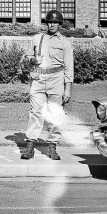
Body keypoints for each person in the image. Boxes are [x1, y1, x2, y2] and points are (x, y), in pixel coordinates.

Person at [23, 9, 74, 160]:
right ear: (46, 23)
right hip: (38, 79)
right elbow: (28, 58)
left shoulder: (65, 42)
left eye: (55, 22)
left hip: (56, 79)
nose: (52, 25)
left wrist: (68, 89)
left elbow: (69, 67)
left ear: (60, 24)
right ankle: (30, 145)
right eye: (50, 22)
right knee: (35, 112)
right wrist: (32, 61)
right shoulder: (37, 39)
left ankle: (52, 146)